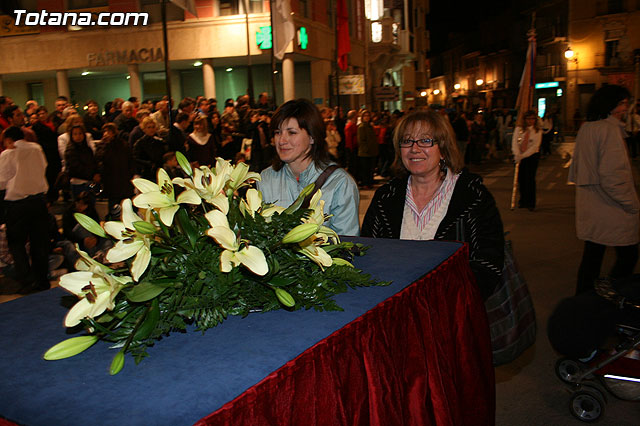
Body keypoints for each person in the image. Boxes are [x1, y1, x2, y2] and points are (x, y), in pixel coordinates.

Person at [361, 110, 504, 300]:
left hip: (452, 311)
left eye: (425, 140)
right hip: (394, 309)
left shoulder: (473, 197)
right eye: (407, 141)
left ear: (443, 149)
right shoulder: (386, 197)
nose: (414, 148)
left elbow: (488, 264)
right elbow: (367, 254)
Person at [568, 84, 639, 295]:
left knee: (593, 255)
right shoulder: (609, 130)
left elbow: (577, 169)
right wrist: (632, 204)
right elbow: (613, 175)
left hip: (593, 205)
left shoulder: (588, 127)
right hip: (611, 207)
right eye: (622, 104)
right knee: (628, 256)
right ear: (610, 105)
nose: (625, 109)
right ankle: (613, 296)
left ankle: (584, 299)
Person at [257, 98, 360, 236]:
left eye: (292, 133)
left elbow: (347, 243)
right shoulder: (265, 178)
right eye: (277, 132)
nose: (282, 140)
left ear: (312, 137)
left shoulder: (340, 183)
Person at [0, 126, 50, 293]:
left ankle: (27, 281)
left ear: (8, 139)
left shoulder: (8, 153)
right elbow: (44, 167)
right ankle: (42, 280)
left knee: (17, 245)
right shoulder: (36, 148)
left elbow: (2, 179)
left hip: (17, 204)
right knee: (39, 243)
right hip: (38, 201)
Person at [511, 110, 542, 211]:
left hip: (531, 156)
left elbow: (535, 146)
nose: (530, 121)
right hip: (520, 156)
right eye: (528, 119)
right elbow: (515, 142)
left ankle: (530, 202)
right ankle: (523, 200)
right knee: (521, 179)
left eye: (533, 119)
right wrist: (517, 154)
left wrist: (524, 155)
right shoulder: (519, 129)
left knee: (530, 179)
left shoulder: (537, 131)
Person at [357, 109, 378, 188]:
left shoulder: (370, 126)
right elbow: (361, 140)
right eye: (365, 116)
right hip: (365, 152)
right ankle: (365, 183)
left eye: (368, 116)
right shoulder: (362, 127)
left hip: (372, 151)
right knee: (365, 169)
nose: (367, 117)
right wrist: (366, 149)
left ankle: (369, 182)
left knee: (370, 168)